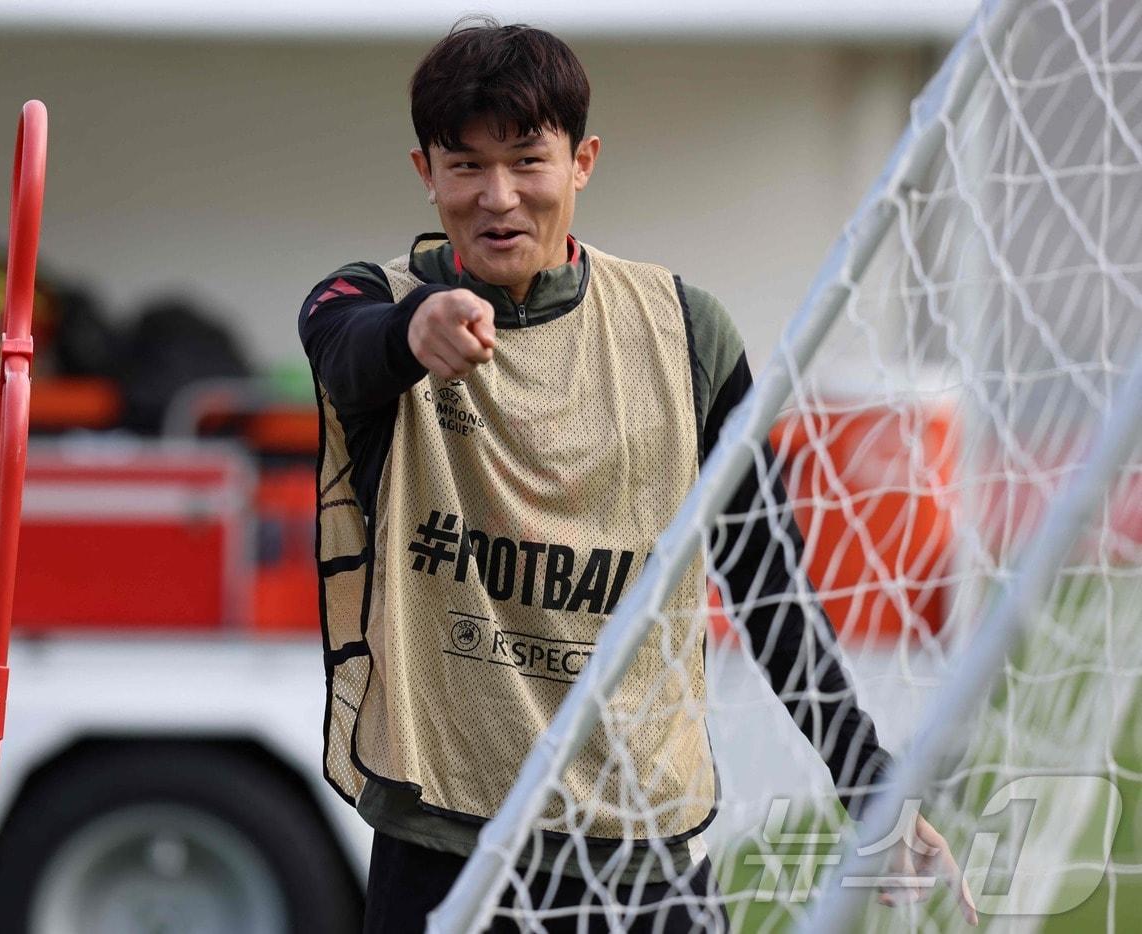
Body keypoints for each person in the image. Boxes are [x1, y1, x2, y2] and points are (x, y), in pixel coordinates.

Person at [298, 19, 978, 933]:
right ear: (425, 173)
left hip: (639, 845)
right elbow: (343, 346)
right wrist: (413, 333)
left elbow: (767, 579)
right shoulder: (374, 300)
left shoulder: (685, 331)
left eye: (527, 161)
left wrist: (870, 786)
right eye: (465, 166)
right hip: (445, 843)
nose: (498, 196)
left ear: (582, 162)